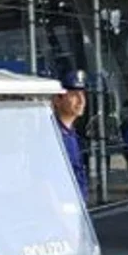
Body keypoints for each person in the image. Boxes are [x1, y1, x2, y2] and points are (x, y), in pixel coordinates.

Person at [54, 70, 89, 202]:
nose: (81, 101)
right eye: (74, 95)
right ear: (58, 100)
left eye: (82, 94)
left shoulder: (72, 134)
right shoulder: (52, 136)